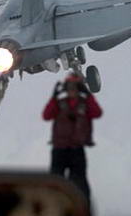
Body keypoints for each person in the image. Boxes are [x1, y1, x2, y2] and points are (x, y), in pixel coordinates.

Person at [42, 73, 102, 201]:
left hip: (76, 150)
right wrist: (54, 97)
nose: (72, 90)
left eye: (75, 87)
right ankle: (53, 206)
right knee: (55, 182)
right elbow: (46, 115)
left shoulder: (85, 104)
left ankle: (82, 207)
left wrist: (89, 96)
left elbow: (97, 112)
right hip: (60, 149)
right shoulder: (59, 103)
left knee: (79, 183)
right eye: (69, 87)